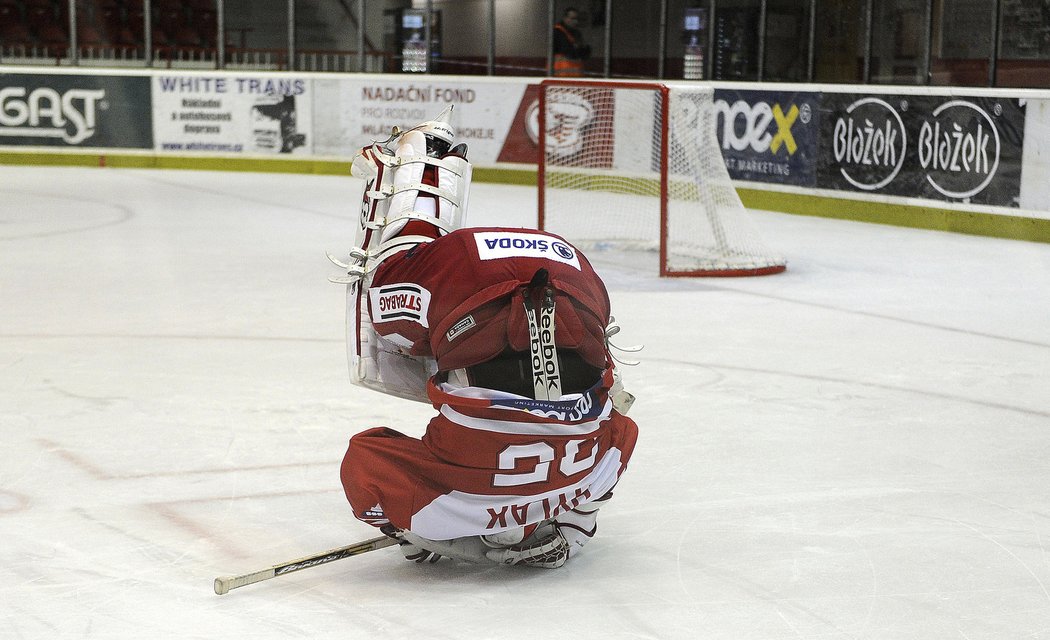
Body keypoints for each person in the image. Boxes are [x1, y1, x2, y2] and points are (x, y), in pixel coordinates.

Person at [333, 107, 638, 568]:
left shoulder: (597, 474)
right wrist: (410, 531)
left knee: (591, 366)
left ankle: (424, 158)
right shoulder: (441, 509)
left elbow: (621, 424)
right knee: (388, 297)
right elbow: (367, 459)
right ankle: (422, 157)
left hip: (572, 276)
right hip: (469, 273)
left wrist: (572, 525)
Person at [552, 7, 591, 77]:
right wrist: (578, 48)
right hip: (560, 76)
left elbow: (585, 53)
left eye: (577, 19)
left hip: (576, 76)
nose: (576, 22)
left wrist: (580, 48)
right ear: (565, 18)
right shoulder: (557, 32)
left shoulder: (576, 33)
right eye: (573, 18)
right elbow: (567, 51)